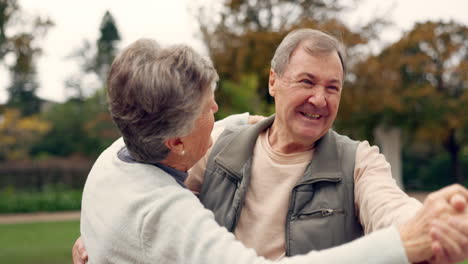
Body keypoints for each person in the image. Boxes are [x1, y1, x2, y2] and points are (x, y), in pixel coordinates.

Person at [76, 38, 468, 264]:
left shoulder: (360, 160)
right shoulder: (206, 159)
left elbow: (390, 206)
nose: (320, 98)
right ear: (273, 81)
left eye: (333, 87)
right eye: (307, 81)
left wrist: (428, 222)